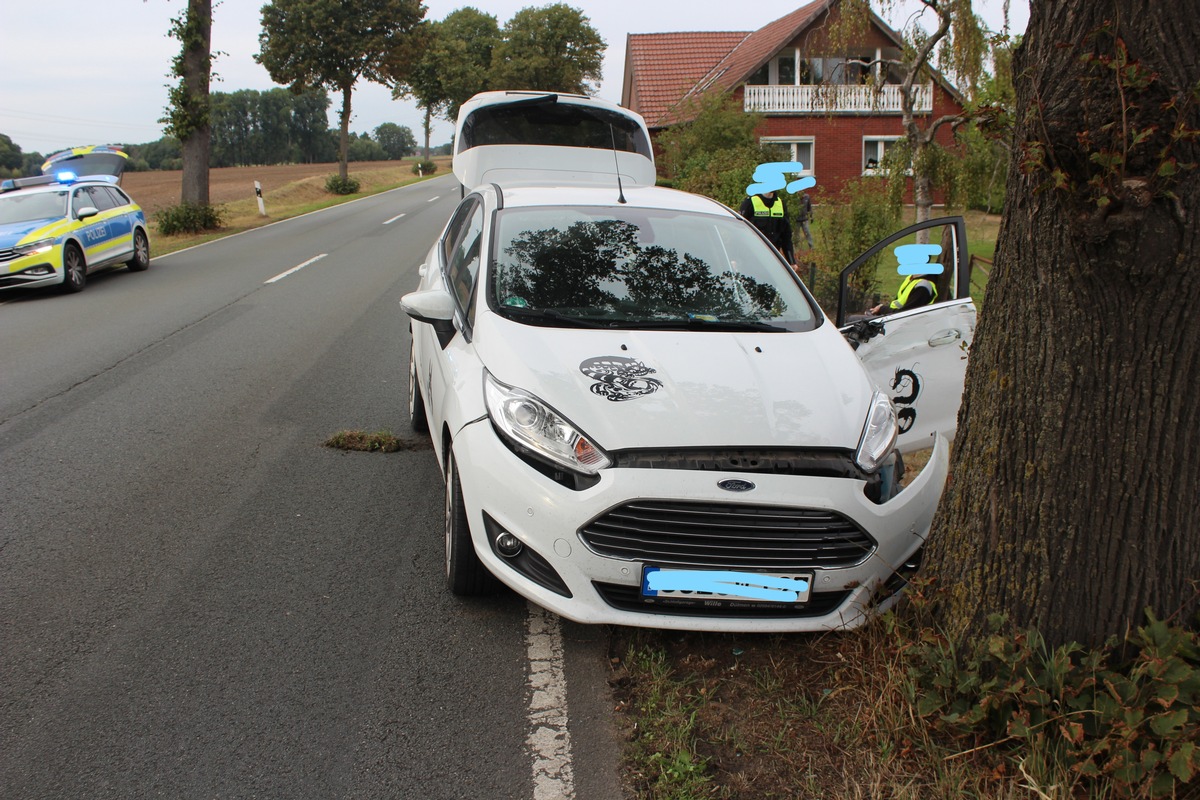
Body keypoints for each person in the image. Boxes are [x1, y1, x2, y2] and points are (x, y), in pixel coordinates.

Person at [738, 189, 796, 267]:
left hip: (773, 259)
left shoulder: (780, 204)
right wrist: (736, 259)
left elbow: (786, 237)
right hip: (752, 259)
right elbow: (739, 233)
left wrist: (791, 261)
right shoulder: (750, 202)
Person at [870, 273, 938, 315]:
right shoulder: (911, 278)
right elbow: (898, 303)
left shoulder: (923, 286)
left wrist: (882, 309)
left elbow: (906, 313)